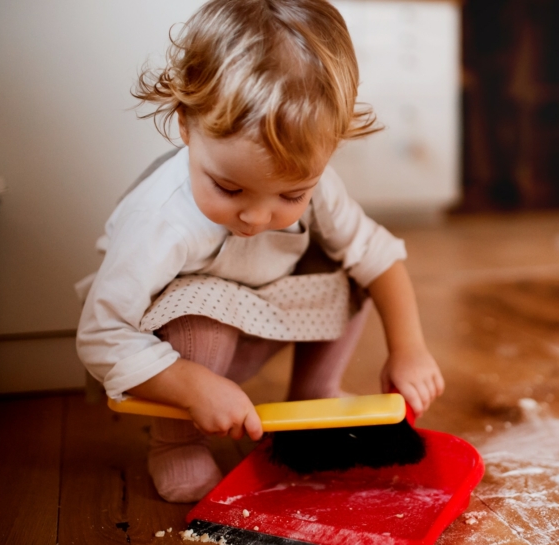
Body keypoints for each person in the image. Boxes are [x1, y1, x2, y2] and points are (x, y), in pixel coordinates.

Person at [75, 0, 444, 503]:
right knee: (196, 318)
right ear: (186, 125)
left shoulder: (322, 187)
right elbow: (101, 334)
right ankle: (177, 440)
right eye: (229, 189)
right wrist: (190, 386)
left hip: (264, 313)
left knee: (351, 269)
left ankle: (313, 397)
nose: (255, 217)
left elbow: (379, 257)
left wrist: (409, 349)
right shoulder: (159, 220)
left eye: (291, 196)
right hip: (179, 346)